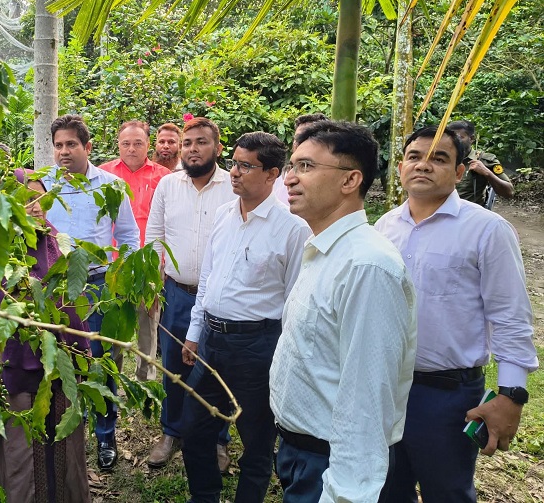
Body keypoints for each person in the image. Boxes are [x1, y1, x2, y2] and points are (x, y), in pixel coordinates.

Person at [375, 125, 537, 503]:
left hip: (446, 396)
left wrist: (511, 395)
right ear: (400, 167)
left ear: (460, 172)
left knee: (447, 491)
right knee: (384, 489)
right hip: (384, 388)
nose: (423, 165)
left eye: (439, 158)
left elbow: (510, 316)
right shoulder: (384, 228)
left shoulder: (487, 230)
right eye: (414, 157)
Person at [269, 120, 417, 503]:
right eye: (291, 166)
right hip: (300, 452)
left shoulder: (367, 266)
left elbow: (367, 400)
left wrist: (345, 494)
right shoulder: (323, 249)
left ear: (350, 180)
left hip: (330, 464)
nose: (289, 178)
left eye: (306, 166)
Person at [181, 131, 311, 503]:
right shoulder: (225, 215)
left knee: (256, 438)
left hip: (256, 345)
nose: (234, 172)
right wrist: (194, 332)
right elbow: (208, 278)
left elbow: (295, 300)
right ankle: (204, 496)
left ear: (272, 174)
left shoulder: (293, 229)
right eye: (234, 163)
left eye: (246, 166)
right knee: (195, 428)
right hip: (212, 341)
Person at [0, 170, 91, 501]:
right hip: (7, 377)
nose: (36, 206)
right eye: (25, 200)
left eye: (40, 198)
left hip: (55, 376)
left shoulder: (55, 244)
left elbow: (72, 305)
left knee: (57, 445)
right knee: (15, 450)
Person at [41, 114, 139, 471]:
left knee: (101, 361)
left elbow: (128, 236)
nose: (64, 152)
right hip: (55, 287)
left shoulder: (111, 186)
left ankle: (105, 433)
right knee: (59, 358)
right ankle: (65, 428)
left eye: (71, 144)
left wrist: (120, 276)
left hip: (97, 285)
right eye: (58, 146)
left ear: (88, 147)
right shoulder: (42, 186)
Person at [144, 117, 237, 471]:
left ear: (218, 148)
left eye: (201, 142)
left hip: (220, 296)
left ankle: (217, 438)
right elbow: (155, 235)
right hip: (177, 293)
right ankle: (171, 432)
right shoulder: (168, 185)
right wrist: (152, 284)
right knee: (172, 364)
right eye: (188, 143)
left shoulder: (233, 186)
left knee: (217, 366)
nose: (193, 149)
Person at [100, 120, 171, 382]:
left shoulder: (164, 178)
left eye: (138, 143)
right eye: (126, 143)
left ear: (148, 144)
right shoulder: (103, 175)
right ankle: (110, 378)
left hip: (150, 264)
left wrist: (163, 264)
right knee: (113, 322)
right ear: (118, 145)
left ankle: (145, 381)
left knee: (148, 325)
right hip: (112, 263)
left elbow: (170, 223)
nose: (131, 148)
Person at [448, 119, 513, 208]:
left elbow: (509, 192)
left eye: (460, 137)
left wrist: (487, 173)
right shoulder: (441, 159)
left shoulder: (485, 160)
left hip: (470, 213)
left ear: (471, 139)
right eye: (451, 138)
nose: (455, 141)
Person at [272, 112, 328, 206]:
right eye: (298, 138)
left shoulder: (328, 175)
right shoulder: (278, 175)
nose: (300, 143)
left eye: (307, 138)